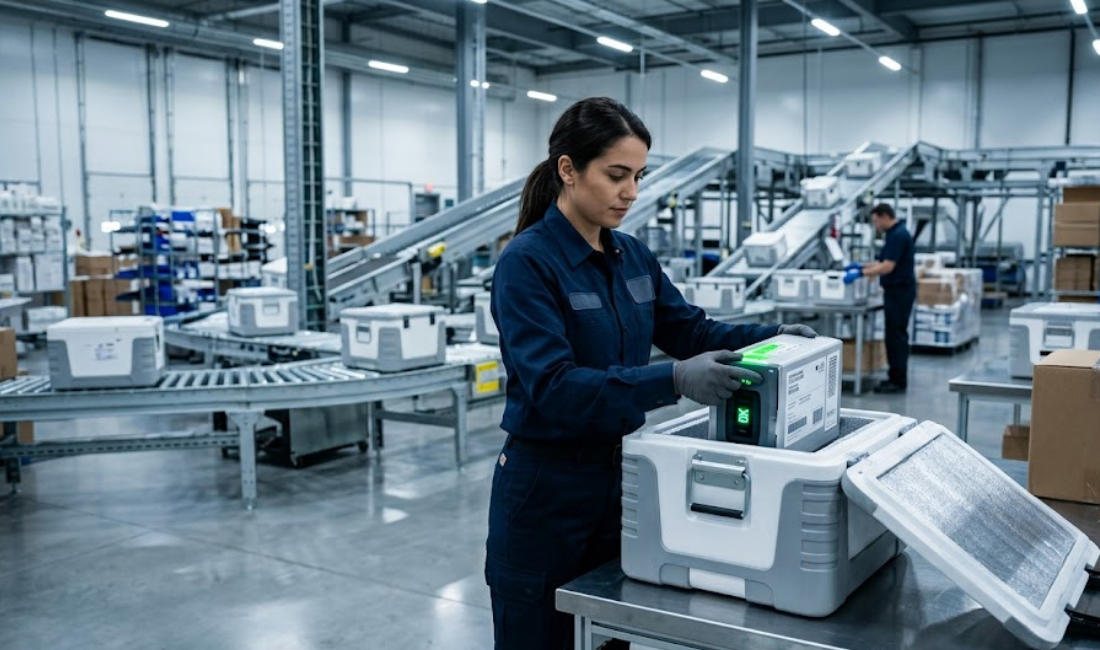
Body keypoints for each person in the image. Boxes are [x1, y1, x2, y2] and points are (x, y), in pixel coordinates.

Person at [484, 96, 818, 650]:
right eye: (617, 175)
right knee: (539, 633)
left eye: (638, 176)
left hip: (622, 481)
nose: (631, 193)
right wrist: (673, 381)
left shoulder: (632, 257)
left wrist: (770, 335)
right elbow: (554, 387)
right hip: (545, 490)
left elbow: (691, 330)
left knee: (611, 632)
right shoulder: (527, 263)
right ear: (568, 169)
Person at [843, 203, 916, 394]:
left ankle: (897, 381)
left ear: (885, 216)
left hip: (899, 292)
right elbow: (882, 262)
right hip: (896, 291)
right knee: (894, 335)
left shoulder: (898, 235)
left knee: (896, 337)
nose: (875, 225)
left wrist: (860, 273)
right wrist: (861, 265)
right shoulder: (894, 234)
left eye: (876, 221)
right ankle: (896, 377)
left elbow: (887, 267)